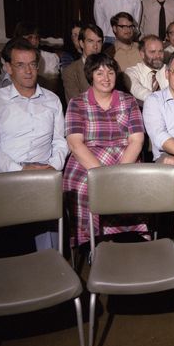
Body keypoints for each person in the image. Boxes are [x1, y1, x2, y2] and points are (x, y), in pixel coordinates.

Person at [0, 38, 68, 251]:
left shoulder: (52, 100)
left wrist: (53, 166)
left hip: (45, 172)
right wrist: (20, 170)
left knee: (49, 236)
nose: (28, 71)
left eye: (32, 64)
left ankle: (49, 267)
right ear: (8, 67)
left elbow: (59, 141)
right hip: (6, 173)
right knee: (11, 241)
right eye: (20, 65)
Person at [63, 53, 145, 248]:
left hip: (125, 158)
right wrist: (102, 175)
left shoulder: (128, 101)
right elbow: (75, 144)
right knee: (85, 188)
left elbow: (136, 140)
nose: (106, 78)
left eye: (110, 72)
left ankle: (127, 239)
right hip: (88, 159)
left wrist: (119, 173)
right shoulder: (77, 103)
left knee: (133, 186)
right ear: (90, 76)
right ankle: (92, 243)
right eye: (99, 73)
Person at [62, 23, 103, 103]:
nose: (95, 46)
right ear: (81, 43)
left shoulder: (110, 67)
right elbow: (76, 104)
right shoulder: (70, 71)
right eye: (90, 41)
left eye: (99, 41)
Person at [124, 35, 168, 104]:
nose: (158, 56)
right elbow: (137, 90)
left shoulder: (170, 69)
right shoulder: (131, 72)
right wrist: (162, 101)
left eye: (160, 51)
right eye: (152, 52)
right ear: (142, 54)